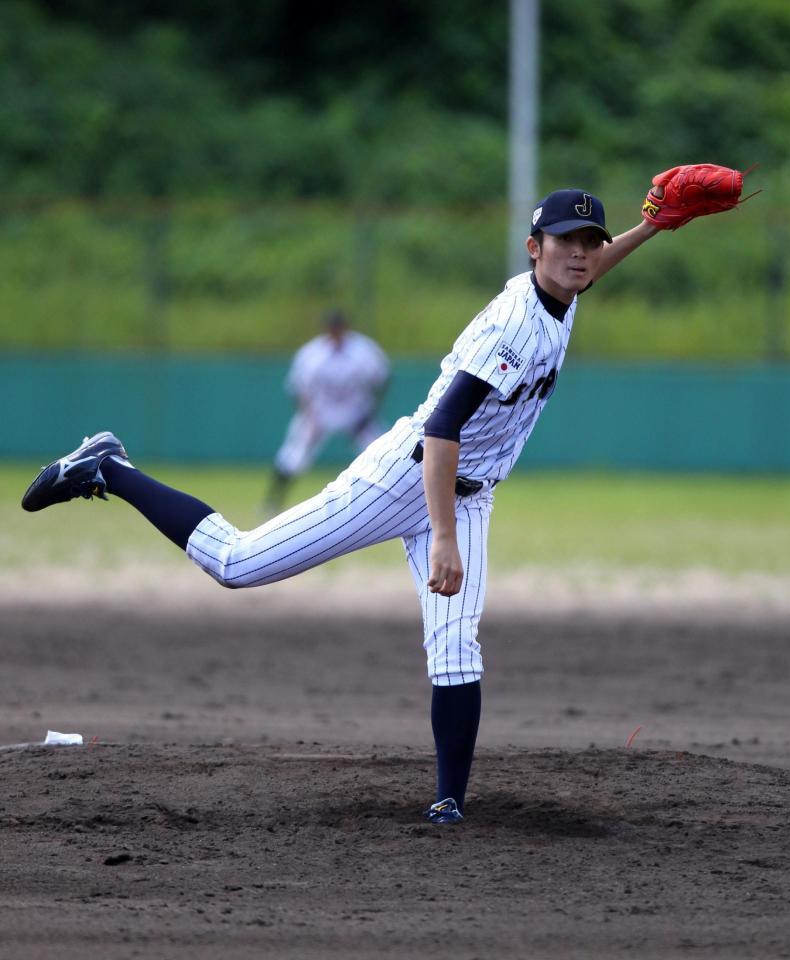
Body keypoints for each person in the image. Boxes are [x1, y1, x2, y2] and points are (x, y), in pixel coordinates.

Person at [22, 187, 663, 824]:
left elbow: (591, 271)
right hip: (408, 476)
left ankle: (449, 804)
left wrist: (657, 225)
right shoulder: (517, 323)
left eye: (590, 242)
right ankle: (108, 467)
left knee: (456, 647)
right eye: (565, 243)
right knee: (238, 562)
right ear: (534, 249)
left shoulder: (564, 288)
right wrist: (442, 536)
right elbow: (443, 426)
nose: (581, 255)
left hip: (470, 492)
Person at [266, 310, 390, 513]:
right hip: (320, 412)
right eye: (332, 329)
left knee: (382, 450)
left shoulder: (363, 349)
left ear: (345, 328)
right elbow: (298, 387)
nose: (336, 332)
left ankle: (393, 497)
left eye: (339, 328)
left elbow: (382, 379)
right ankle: (273, 501)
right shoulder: (312, 353)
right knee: (294, 455)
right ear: (326, 330)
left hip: (355, 411)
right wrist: (308, 416)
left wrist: (370, 412)